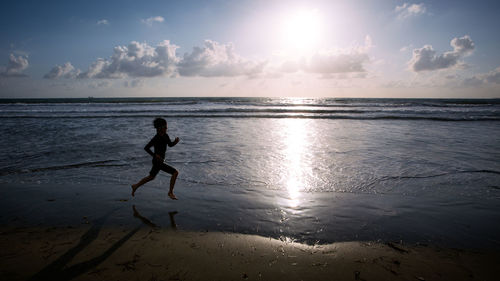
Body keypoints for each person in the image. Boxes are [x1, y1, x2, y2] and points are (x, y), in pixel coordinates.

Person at [131, 118, 180, 200]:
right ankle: (170, 192)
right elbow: (146, 148)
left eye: (166, 127)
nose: (166, 128)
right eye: (165, 127)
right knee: (175, 173)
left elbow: (170, 145)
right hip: (157, 161)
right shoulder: (156, 138)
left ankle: (135, 186)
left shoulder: (166, 135)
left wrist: (175, 142)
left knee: (151, 177)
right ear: (159, 128)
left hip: (160, 161)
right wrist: (155, 155)